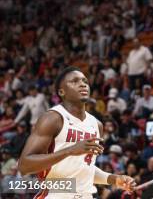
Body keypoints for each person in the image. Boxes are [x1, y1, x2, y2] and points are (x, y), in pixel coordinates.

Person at [17, 66, 135, 198]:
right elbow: (24, 165)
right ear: (62, 92)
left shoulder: (96, 125)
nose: (82, 84)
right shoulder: (53, 118)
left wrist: (114, 179)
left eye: (85, 81)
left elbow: (83, 169)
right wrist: (70, 150)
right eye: (74, 81)